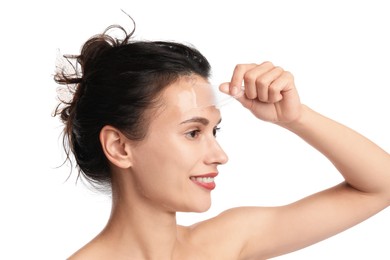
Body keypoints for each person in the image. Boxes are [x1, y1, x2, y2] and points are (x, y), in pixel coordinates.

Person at [53, 20, 390, 260]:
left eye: (214, 131)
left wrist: (296, 117)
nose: (219, 155)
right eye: (193, 132)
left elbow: (381, 185)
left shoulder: (226, 244)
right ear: (120, 147)